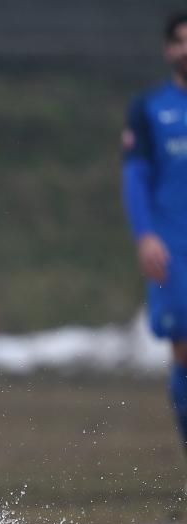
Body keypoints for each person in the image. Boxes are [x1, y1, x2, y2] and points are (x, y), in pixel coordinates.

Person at [122, 11, 187, 456]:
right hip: (174, 250)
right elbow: (135, 176)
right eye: (180, 41)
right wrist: (145, 235)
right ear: (168, 49)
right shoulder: (150, 109)